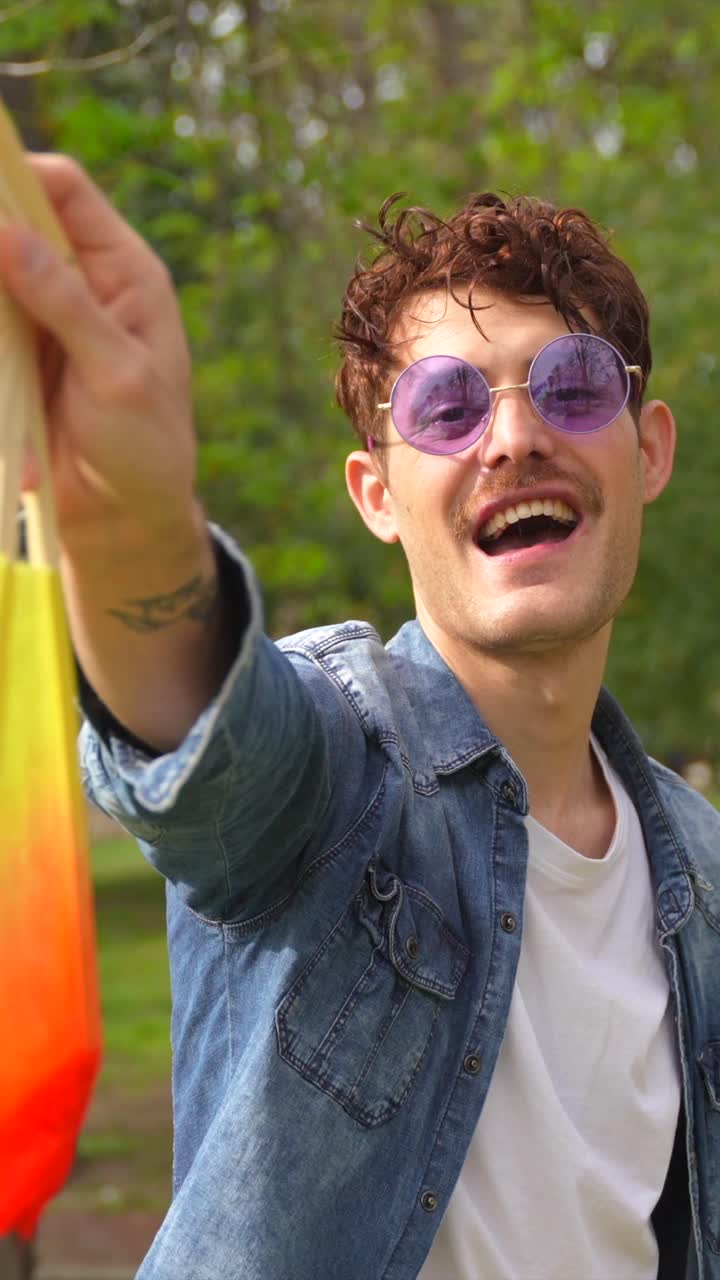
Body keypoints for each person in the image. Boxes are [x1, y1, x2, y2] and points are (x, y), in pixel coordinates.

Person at [0, 157, 716, 1280]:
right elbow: (214, 747)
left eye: (574, 386)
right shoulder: (339, 765)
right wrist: (129, 521)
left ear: (652, 446)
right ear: (375, 492)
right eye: (448, 405)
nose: (515, 436)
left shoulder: (704, 873)